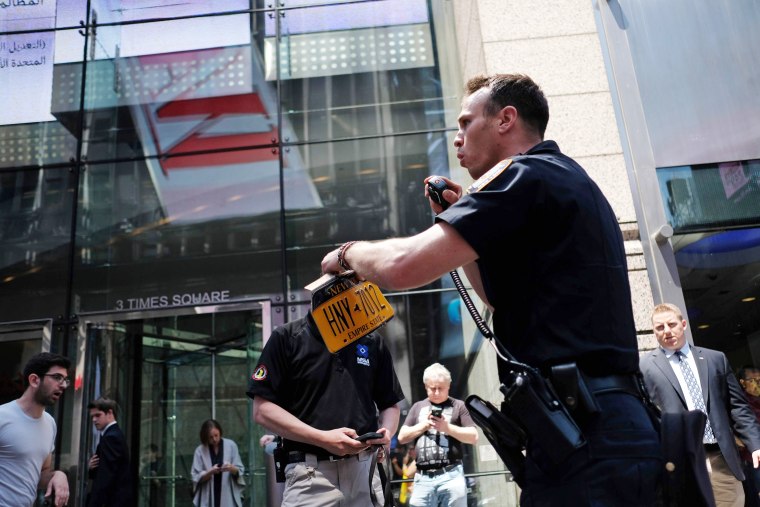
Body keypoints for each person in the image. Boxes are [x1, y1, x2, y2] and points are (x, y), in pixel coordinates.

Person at [321, 73, 662, 505]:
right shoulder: (564, 176)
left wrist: (350, 253)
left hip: (585, 432)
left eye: (466, 123)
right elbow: (500, 299)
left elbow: (402, 267)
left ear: (506, 120)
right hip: (596, 427)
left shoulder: (523, 176)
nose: (458, 138)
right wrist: (473, 235)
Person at [247, 312, 405, 506]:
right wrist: (322, 438)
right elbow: (262, 410)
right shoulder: (287, 337)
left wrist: (386, 433)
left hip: (364, 471)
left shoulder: (372, 340)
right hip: (310, 474)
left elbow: (390, 404)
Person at [641, 303, 760, 507]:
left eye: (671, 324)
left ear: (683, 324)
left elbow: (738, 407)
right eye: (660, 328)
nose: (667, 331)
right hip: (680, 463)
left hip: (721, 459)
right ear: (654, 331)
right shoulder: (645, 366)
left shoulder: (715, 359)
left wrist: (755, 444)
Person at [398, 363, 477, 507]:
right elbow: (402, 437)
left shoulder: (459, 406)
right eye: (432, 388)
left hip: (451, 474)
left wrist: (447, 428)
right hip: (422, 478)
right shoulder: (417, 407)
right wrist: (425, 425)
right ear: (425, 386)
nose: (436, 392)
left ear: (449, 386)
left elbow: (473, 436)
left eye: (440, 388)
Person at [0, 352, 71, 507]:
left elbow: (40, 474)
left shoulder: (50, 423)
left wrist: (58, 475)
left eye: (66, 380)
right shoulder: (2, 417)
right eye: (57, 377)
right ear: (34, 380)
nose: (63, 385)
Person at [86, 397, 134, 507]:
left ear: (109, 413)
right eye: (92, 416)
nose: (94, 420)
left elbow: (106, 476)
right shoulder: (112, 435)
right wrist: (92, 467)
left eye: (98, 415)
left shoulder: (111, 437)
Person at [191, 419, 245, 507]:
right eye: (210, 437)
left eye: (216, 435)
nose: (214, 439)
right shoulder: (200, 450)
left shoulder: (231, 445)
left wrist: (231, 468)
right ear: (205, 437)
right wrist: (210, 472)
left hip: (227, 492)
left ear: (220, 432)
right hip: (208, 493)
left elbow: (239, 470)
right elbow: (196, 477)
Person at [737, 366, 760, 506]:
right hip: (752, 459)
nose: (757, 383)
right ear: (742, 382)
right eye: (752, 380)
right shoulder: (740, 403)